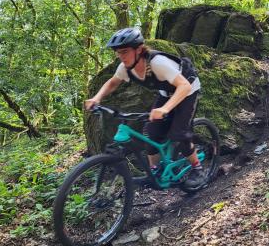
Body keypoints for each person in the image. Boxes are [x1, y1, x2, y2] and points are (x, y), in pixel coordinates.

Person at [84, 27, 204, 190]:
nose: (121, 56)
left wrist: (165, 109)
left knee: (179, 133)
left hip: (188, 89)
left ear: (139, 49)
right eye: (118, 53)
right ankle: (154, 171)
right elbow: (113, 82)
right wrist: (96, 98)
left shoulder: (157, 63)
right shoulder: (125, 68)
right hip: (167, 92)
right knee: (151, 132)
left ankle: (198, 169)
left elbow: (184, 86)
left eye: (125, 51)